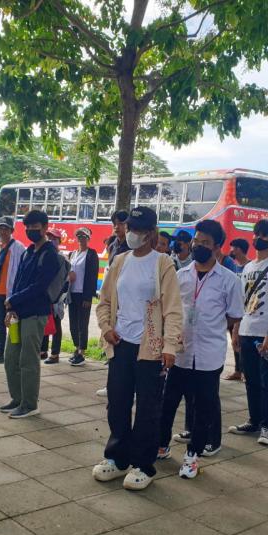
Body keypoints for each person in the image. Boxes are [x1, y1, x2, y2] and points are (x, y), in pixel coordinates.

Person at [93, 206, 183, 491]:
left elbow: (173, 310)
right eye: (129, 227)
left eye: (138, 230)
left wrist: (170, 346)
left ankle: (143, 464)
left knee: (147, 408)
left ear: (150, 233)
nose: (131, 234)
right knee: (117, 403)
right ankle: (117, 458)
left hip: (150, 350)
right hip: (120, 345)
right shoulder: (120, 261)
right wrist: (106, 328)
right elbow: (105, 300)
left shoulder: (162, 264)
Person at [159, 220, 244, 471]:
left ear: (217, 247)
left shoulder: (229, 280)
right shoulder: (180, 275)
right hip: (180, 353)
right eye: (197, 241)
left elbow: (234, 315)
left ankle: (192, 455)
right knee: (168, 403)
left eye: (205, 243)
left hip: (208, 355)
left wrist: (210, 325)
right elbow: (170, 308)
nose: (198, 246)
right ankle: (161, 446)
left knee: (203, 408)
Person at [228, 219, 268, 446]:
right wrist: (236, 330)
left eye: (265, 236)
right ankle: (253, 420)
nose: (259, 239)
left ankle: (267, 426)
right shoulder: (247, 267)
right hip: (246, 329)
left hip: (266, 333)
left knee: (267, 382)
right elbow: (243, 302)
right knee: (250, 380)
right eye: (257, 234)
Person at [0, 210, 61, 418]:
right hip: (19, 313)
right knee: (11, 358)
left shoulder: (49, 254)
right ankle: (17, 398)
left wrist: (13, 300)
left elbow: (40, 286)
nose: (30, 231)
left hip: (35, 314)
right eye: (27, 227)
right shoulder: (28, 251)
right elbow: (18, 281)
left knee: (28, 360)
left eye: (35, 227)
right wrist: (11, 307)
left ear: (45, 228)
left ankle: (29, 404)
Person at [0, 216, 24, 365]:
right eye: (0, 228)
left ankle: (15, 353)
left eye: (6, 228)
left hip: (11, 293)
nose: (2, 231)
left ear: (12, 230)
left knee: (14, 323)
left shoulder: (19, 248)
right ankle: (0, 353)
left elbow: (21, 272)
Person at [67, 227, 99, 366]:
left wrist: (88, 297)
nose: (81, 239)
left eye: (84, 236)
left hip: (83, 294)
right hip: (71, 293)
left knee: (82, 324)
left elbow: (93, 276)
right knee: (73, 323)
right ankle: (76, 347)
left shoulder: (91, 254)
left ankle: (82, 351)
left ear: (88, 238)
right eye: (79, 236)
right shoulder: (72, 254)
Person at [41, 229, 70, 364]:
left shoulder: (63, 258)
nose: (51, 241)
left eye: (54, 239)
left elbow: (66, 279)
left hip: (57, 298)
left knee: (56, 325)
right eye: (49, 238)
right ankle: (43, 350)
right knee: (44, 323)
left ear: (59, 241)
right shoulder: (45, 255)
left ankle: (55, 353)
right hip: (45, 297)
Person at [225, 238, 251, 381]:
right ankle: (237, 370)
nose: (231, 251)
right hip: (233, 309)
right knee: (234, 341)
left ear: (239, 249)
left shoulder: (250, 266)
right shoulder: (235, 267)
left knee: (242, 342)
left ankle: (245, 371)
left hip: (246, 312)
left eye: (233, 248)